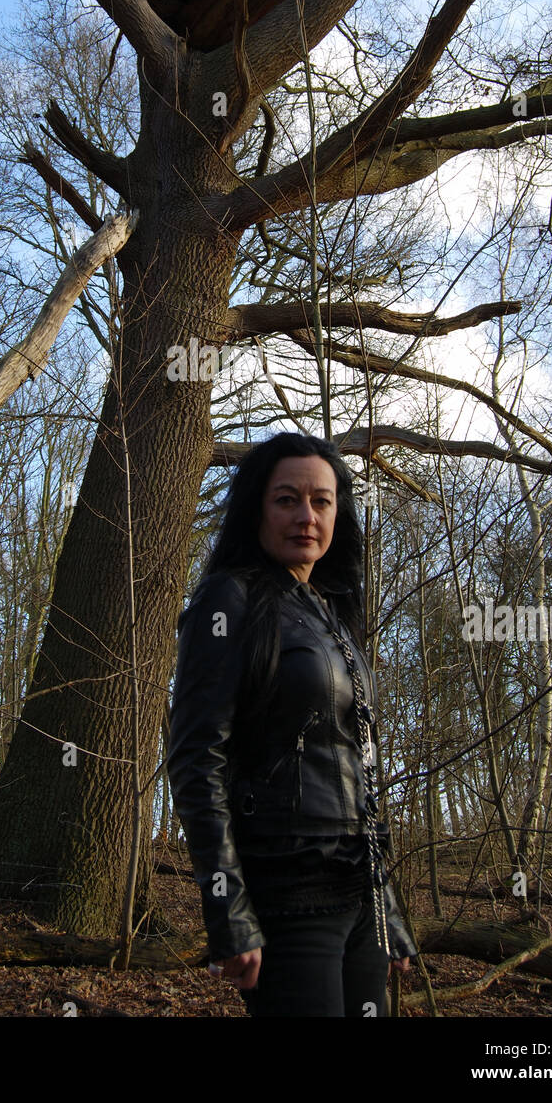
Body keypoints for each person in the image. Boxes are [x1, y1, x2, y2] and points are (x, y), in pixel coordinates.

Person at [167, 431, 417, 1017]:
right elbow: (197, 758)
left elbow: (359, 775)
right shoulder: (229, 602)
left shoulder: (333, 616)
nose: (306, 516)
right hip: (286, 891)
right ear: (258, 507)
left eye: (322, 501)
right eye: (287, 499)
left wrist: (388, 912)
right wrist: (228, 907)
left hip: (357, 893)